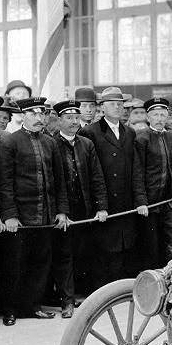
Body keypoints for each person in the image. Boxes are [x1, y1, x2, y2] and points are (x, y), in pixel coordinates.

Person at [0, 97, 70, 326]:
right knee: (15, 264)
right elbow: (4, 183)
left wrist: (61, 211)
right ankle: (10, 309)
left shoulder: (51, 143)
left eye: (43, 114)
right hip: (19, 219)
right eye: (34, 114)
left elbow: (60, 182)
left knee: (41, 263)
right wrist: (9, 215)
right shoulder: (10, 143)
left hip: (46, 217)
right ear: (23, 116)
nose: (40, 119)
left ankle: (32, 306)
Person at [50, 100, 108, 316]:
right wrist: (61, 211)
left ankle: (84, 296)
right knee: (65, 255)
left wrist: (101, 207)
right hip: (63, 212)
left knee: (85, 252)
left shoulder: (86, 144)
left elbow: (97, 177)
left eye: (76, 118)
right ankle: (67, 301)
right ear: (59, 120)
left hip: (85, 209)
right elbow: (53, 183)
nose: (75, 122)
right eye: (69, 118)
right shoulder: (51, 143)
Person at [79, 86, 141, 287]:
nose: (117, 107)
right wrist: (99, 203)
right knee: (105, 247)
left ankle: (120, 288)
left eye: (120, 104)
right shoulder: (90, 132)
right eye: (112, 103)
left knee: (125, 244)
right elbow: (89, 172)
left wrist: (140, 199)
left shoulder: (129, 132)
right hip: (104, 198)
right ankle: (102, 289)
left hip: (125, 199)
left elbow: (136, 168)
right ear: (102, 107)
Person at [134, 98, 172, 269]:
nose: (160, 119)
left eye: (163, 115)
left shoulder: (170, 137)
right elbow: (137, 173)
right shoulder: (142, 139)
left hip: (171, 200)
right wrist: (141, 202)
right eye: (156, 115)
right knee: (151, 245)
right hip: (151, 203)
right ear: (148, 117)